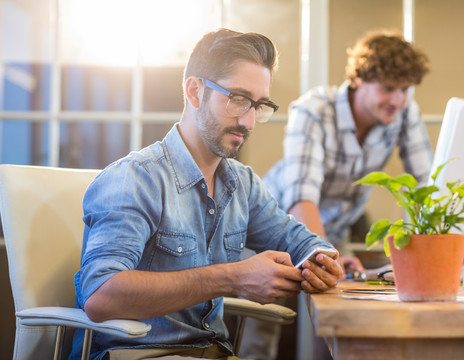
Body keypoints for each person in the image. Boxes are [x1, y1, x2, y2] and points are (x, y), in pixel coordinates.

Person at [69, 28, 341, 360]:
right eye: (238, 99)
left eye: (259, 105)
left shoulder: (242, 183)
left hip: (215, 353)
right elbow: (100, 296)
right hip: (140, 355)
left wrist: (321, 258)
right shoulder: (135, 179)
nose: (250, 121)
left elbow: (297, 240)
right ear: (195, 91)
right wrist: (232, 278)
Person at [263, 30, 433, 272]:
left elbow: (424, 185)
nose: (397, 100)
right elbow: (303, 197)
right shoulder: (315, 110)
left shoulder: (403, 112)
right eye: (388, 88)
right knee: (283, 303)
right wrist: (327, 257)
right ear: (358, 80)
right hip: (280, 228)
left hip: (334, 232)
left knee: (338, 297)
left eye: (405, 89)